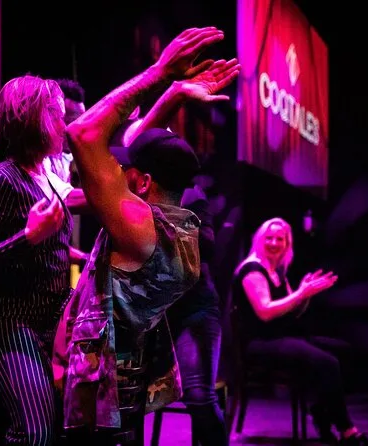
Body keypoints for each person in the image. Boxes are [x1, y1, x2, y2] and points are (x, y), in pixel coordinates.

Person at [53, 26, 240, 445]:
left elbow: (83, 134)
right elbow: (140, 148)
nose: (115, 170)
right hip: (124, 389)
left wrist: (159, 72)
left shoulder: (137, 228)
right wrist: (172, 96)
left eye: (124, 169)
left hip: (102, 395)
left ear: (141, 182)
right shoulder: (176, 227)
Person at [119, 63, 238, 445]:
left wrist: (163, 226)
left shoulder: (189, 198)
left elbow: (205, 250)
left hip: (192, 312)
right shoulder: (131, 198)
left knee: (199, 396)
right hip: (148, 316)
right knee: (126, 399)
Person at [0, 75, 72, 446]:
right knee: (35, 434)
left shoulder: (47, 178)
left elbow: (47, 254)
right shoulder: (0, 180)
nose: (64, 124)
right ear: (34, 119)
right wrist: (28, 238)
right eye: (57, 115)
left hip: (51, 325)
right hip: (13, 325)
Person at [232, 217, 368, 445]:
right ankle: (347, 430)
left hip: (280, 337)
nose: (274, 243)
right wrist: (300, 293)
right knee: (327, 363)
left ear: (287, 243)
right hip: (260, 343)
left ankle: (320, 411)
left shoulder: (277, 271)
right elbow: (265, 312)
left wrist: (305, 295)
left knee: (344, 351)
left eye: (280, 239)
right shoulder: (253, 270)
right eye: (269, 238)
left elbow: (292, 312)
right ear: (260, 240)